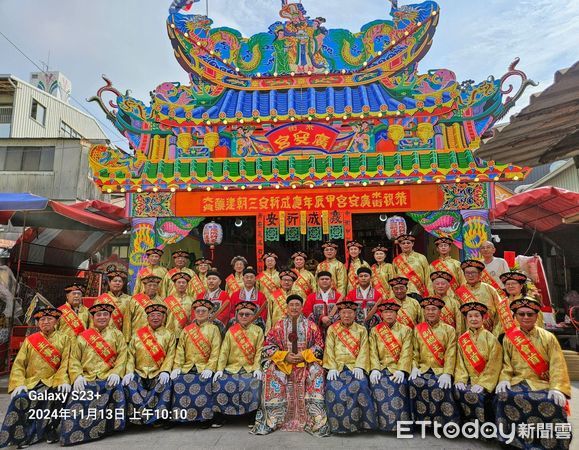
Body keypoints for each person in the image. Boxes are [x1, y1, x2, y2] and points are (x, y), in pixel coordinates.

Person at [494, 297, 572, 450]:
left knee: (553, 403)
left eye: (530, 314)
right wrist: (504, 379)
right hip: (517, 381)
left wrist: (557, 387)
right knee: (503, 397)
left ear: (537, 316)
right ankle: (511, 442)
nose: (525, 317)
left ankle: (551, 444)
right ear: (515, 316)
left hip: (542, 382)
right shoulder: (510, 338)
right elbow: (506, 364)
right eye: (521, 314)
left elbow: (558, 365)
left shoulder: (548, 338)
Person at [252, 294, 329, 436]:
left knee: (317, 371)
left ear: (301, 307)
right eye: (291, 305)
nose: (294, 307)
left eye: (297, 305)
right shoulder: (278, 326)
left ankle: (315, 419)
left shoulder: (311, 326)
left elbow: (319, 346)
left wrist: (304, 355)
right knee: (271, 371)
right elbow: (268, 346)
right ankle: (274, 418)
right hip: (284, 365)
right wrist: (285, 355)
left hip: (305, 364)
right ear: (286, 308)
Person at [0, 306, 71, 448]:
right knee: (21, 398)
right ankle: (22, 434)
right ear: (38, 323)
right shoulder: (31, 340)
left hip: (52, 380)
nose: (46, 322)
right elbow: (19, 364)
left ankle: (51, 429)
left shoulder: (65, 338)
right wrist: (18, 383)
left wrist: (62, 379)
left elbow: (66, 362)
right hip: (31, 381)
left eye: (49, 319)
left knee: (59, 396)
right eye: (42, 319)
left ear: (56, 321)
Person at [61, 303, 127, 445]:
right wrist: (77, 375)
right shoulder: (83, 337)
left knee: (117, 389)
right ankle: (75, 434)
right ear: (93, 317)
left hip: (108, 376)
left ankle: (108, 429)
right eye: (99, 315)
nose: (102, 317)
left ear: (110, 317)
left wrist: (116, 372)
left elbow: (123, 356)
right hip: (87, 377)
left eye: (105, 315)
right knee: (77, 397)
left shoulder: (117, 334)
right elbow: (74, 359)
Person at [323, 299, 375, 434]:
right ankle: (337, 426)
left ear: (355, 314)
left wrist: (359, 366)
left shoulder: (361, 330)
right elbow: (329, 349)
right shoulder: (332, 329)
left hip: (354, 367)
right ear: (339, 314)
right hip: (338, 367)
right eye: (344, 313)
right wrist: (332, 367)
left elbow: (364, 349)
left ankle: (361, 425)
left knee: (361, 386)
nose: (347, 315)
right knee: (332, 389)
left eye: (350, 313)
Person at [408, 297, 460, 427]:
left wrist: (447, 373)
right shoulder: (418, 329)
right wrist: (414, 367)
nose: (430, 312)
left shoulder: (449, 330)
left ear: (440, 312)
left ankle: (444, 424)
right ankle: (421, 423)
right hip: (423, 368)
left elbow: (451, 354)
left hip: (440, 370)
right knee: (415, 383)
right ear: (424, 312)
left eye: (434, 309)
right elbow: (414, 352)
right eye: (428, 309)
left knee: (441, 387)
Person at [170, 299, 221, 426]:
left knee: (204, 382)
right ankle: (179, 417)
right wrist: (177, 367)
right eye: (197, 311)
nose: (200, 313)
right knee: (177, 382)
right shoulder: (187, 330)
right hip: (187, 366)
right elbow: (180, 350)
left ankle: (204, 418)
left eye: (204, 311)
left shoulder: (214, 329)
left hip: (204, 367)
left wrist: (210, 368)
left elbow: (216, 351)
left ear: (209, 313)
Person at [212, 302, 264, 427]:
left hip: (250, 367)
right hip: (232, 367)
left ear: (253, 316)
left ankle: (251, 416)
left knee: (253, 383)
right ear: (237, 316)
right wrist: (219, 369)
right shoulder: (231, 331)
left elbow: (260, 351)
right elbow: (224, 351)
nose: (244, 316)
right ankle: (221, 416)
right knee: (219, 382)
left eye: (248, 314)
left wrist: (258, 368)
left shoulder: (258, 331)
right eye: (241, 314)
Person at [122, 304, 176, 426]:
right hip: (139, 372)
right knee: (128, 384)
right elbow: (130, 355)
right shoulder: (138, 334)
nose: (155, 318)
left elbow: (171, 355)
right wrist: (129, 371)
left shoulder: (169, 334)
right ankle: (140, 416)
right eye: (152, 315)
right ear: (147, 318)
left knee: (165, 383)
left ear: (163, 318)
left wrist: (165, 371)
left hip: (158, 372)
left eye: (159, 315)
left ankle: (157, 418)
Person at [453, 301, 502, 425]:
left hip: (486, 381)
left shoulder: (491, 338)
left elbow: (494, 365)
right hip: (469, 379)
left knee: (481, 396)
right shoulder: (462, 339)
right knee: (456, 391)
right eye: (470, 316)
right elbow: (460, 363)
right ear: (466, 319)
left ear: (482, 318)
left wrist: (483, 383)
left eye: (477, 316)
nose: (473, 319)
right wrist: (460, 379)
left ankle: (485, 429)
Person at [368, 300, 413, 432]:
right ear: (381, 314)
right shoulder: (375, 331)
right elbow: (373, 352)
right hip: (381, 368)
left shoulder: (406, 330)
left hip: (397, 368)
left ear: (396, 314)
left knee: (399, 386)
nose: (388, 315)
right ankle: (381, 426)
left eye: (391, 312)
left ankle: (401, 426)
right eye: (386, 312)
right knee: (376, 385)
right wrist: (375, 369)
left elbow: (407, 352)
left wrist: (401, 370)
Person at [457, 260, 502, 335]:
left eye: (473, 273)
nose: (470, 275)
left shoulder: (489, 289)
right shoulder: (459, 292)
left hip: (489, 334)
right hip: (468, 336)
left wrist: (496, 334)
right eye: (467, 273)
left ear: (480, 274)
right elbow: (459, 318)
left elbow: (500, 311)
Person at [124, 275, 164, 342]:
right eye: (149, 285)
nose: (152, 287)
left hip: (155, 340)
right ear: (144, 286)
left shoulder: (161, 302)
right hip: (136, 337)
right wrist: (127, 339)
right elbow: (127, 320)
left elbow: (163, 322)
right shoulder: (135, 300)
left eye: (154, 285)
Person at [93, 268, 131, 335]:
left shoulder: (129, 300)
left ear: (123, 284)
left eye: (120, 281)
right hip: (105, 336)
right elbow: (93, 320)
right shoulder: (101, 300)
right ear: (109, 282)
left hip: (122, 336)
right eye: (115, 281)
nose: (117, 283)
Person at [392, 234, 429, 300]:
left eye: (408, 243)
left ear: (413, 244)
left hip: (418, 292)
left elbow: (427, 276)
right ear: (400, 245)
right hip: (402, 293)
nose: (406, 245)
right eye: (403, 243)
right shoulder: (396, 260)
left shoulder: (421, 257)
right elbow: (394, 278)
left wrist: (429, 292)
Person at [196, 270, 230, 335]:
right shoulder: (200, 295)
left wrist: (212, 323)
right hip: (200, 327)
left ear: (219, 282)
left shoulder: (225, 295)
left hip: (216, 328)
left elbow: (225, 313)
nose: (211, 281)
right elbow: (194, 311)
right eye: (209, 279)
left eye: (214, 279)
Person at [164, 272, 195, 336]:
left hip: (186, 334)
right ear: (174, 285)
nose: (181, 284)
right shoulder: (167, 301)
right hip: (170, 334)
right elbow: (163, 320)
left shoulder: (192, 301)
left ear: (187, 285)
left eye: (184, 283)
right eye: (179, 282)